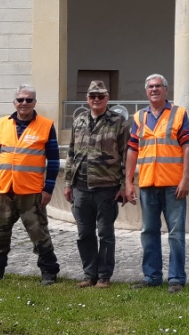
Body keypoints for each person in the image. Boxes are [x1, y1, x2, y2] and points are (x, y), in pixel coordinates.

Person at [0, 85, 61, 285]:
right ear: (14, 102)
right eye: (20, 99)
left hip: (31, 191)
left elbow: (54, 160)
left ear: (35, 103)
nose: (24, 103)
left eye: (29, 100)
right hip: (4, 189)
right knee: (0, 232)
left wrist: (48, 189)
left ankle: (49, 272)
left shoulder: (45, 125)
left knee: (39, 232)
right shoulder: (3, 124)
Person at [124, 74, 189, 293]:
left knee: (176, 233)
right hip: (147, 183)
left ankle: (176, 279)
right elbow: (132, 150)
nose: (154, 89)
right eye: (150, 87)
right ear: (146, 91)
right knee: (148, 231)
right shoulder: (139, 117)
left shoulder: (179, 113)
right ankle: (152, 276)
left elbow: (187, 147)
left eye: (158, 86)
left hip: (173, 184)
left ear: (166, 90)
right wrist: (128, 181)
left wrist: (185, 178)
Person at [63, 80, 130, 288]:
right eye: (93, 96)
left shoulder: (119, 122)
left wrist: (124, 186)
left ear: (107, 98)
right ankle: (89, 274)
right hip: (81, 187)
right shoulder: (79, 121)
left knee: (106, 233)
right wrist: (67, 183)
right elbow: (71, 153)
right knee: (84, 233)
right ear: (87, 99)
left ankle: (104, 276)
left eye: (100, 96)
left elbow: (127, 155)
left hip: (106, 188)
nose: (96, 100)